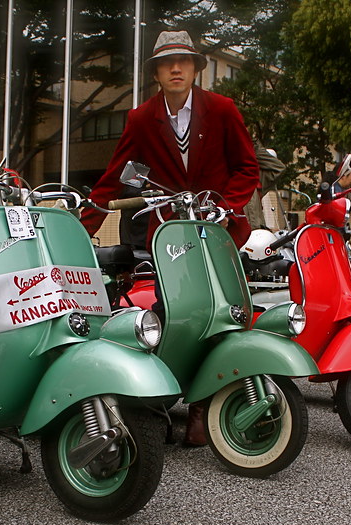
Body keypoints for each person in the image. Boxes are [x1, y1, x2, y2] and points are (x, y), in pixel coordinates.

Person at [81, 31, 260, 447]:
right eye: (166, 63)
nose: (175, 69)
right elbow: (114, 174)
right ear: (156, 73)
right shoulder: (141, 118)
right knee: (173, 311)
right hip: (169, 234)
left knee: (221, 310)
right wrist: (82, 224)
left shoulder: (222, 109)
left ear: (196, 68)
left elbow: (247, 168)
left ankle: (204, 404)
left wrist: (227, 206)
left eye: (183, 61)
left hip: (217, 228)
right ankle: (160, 393)